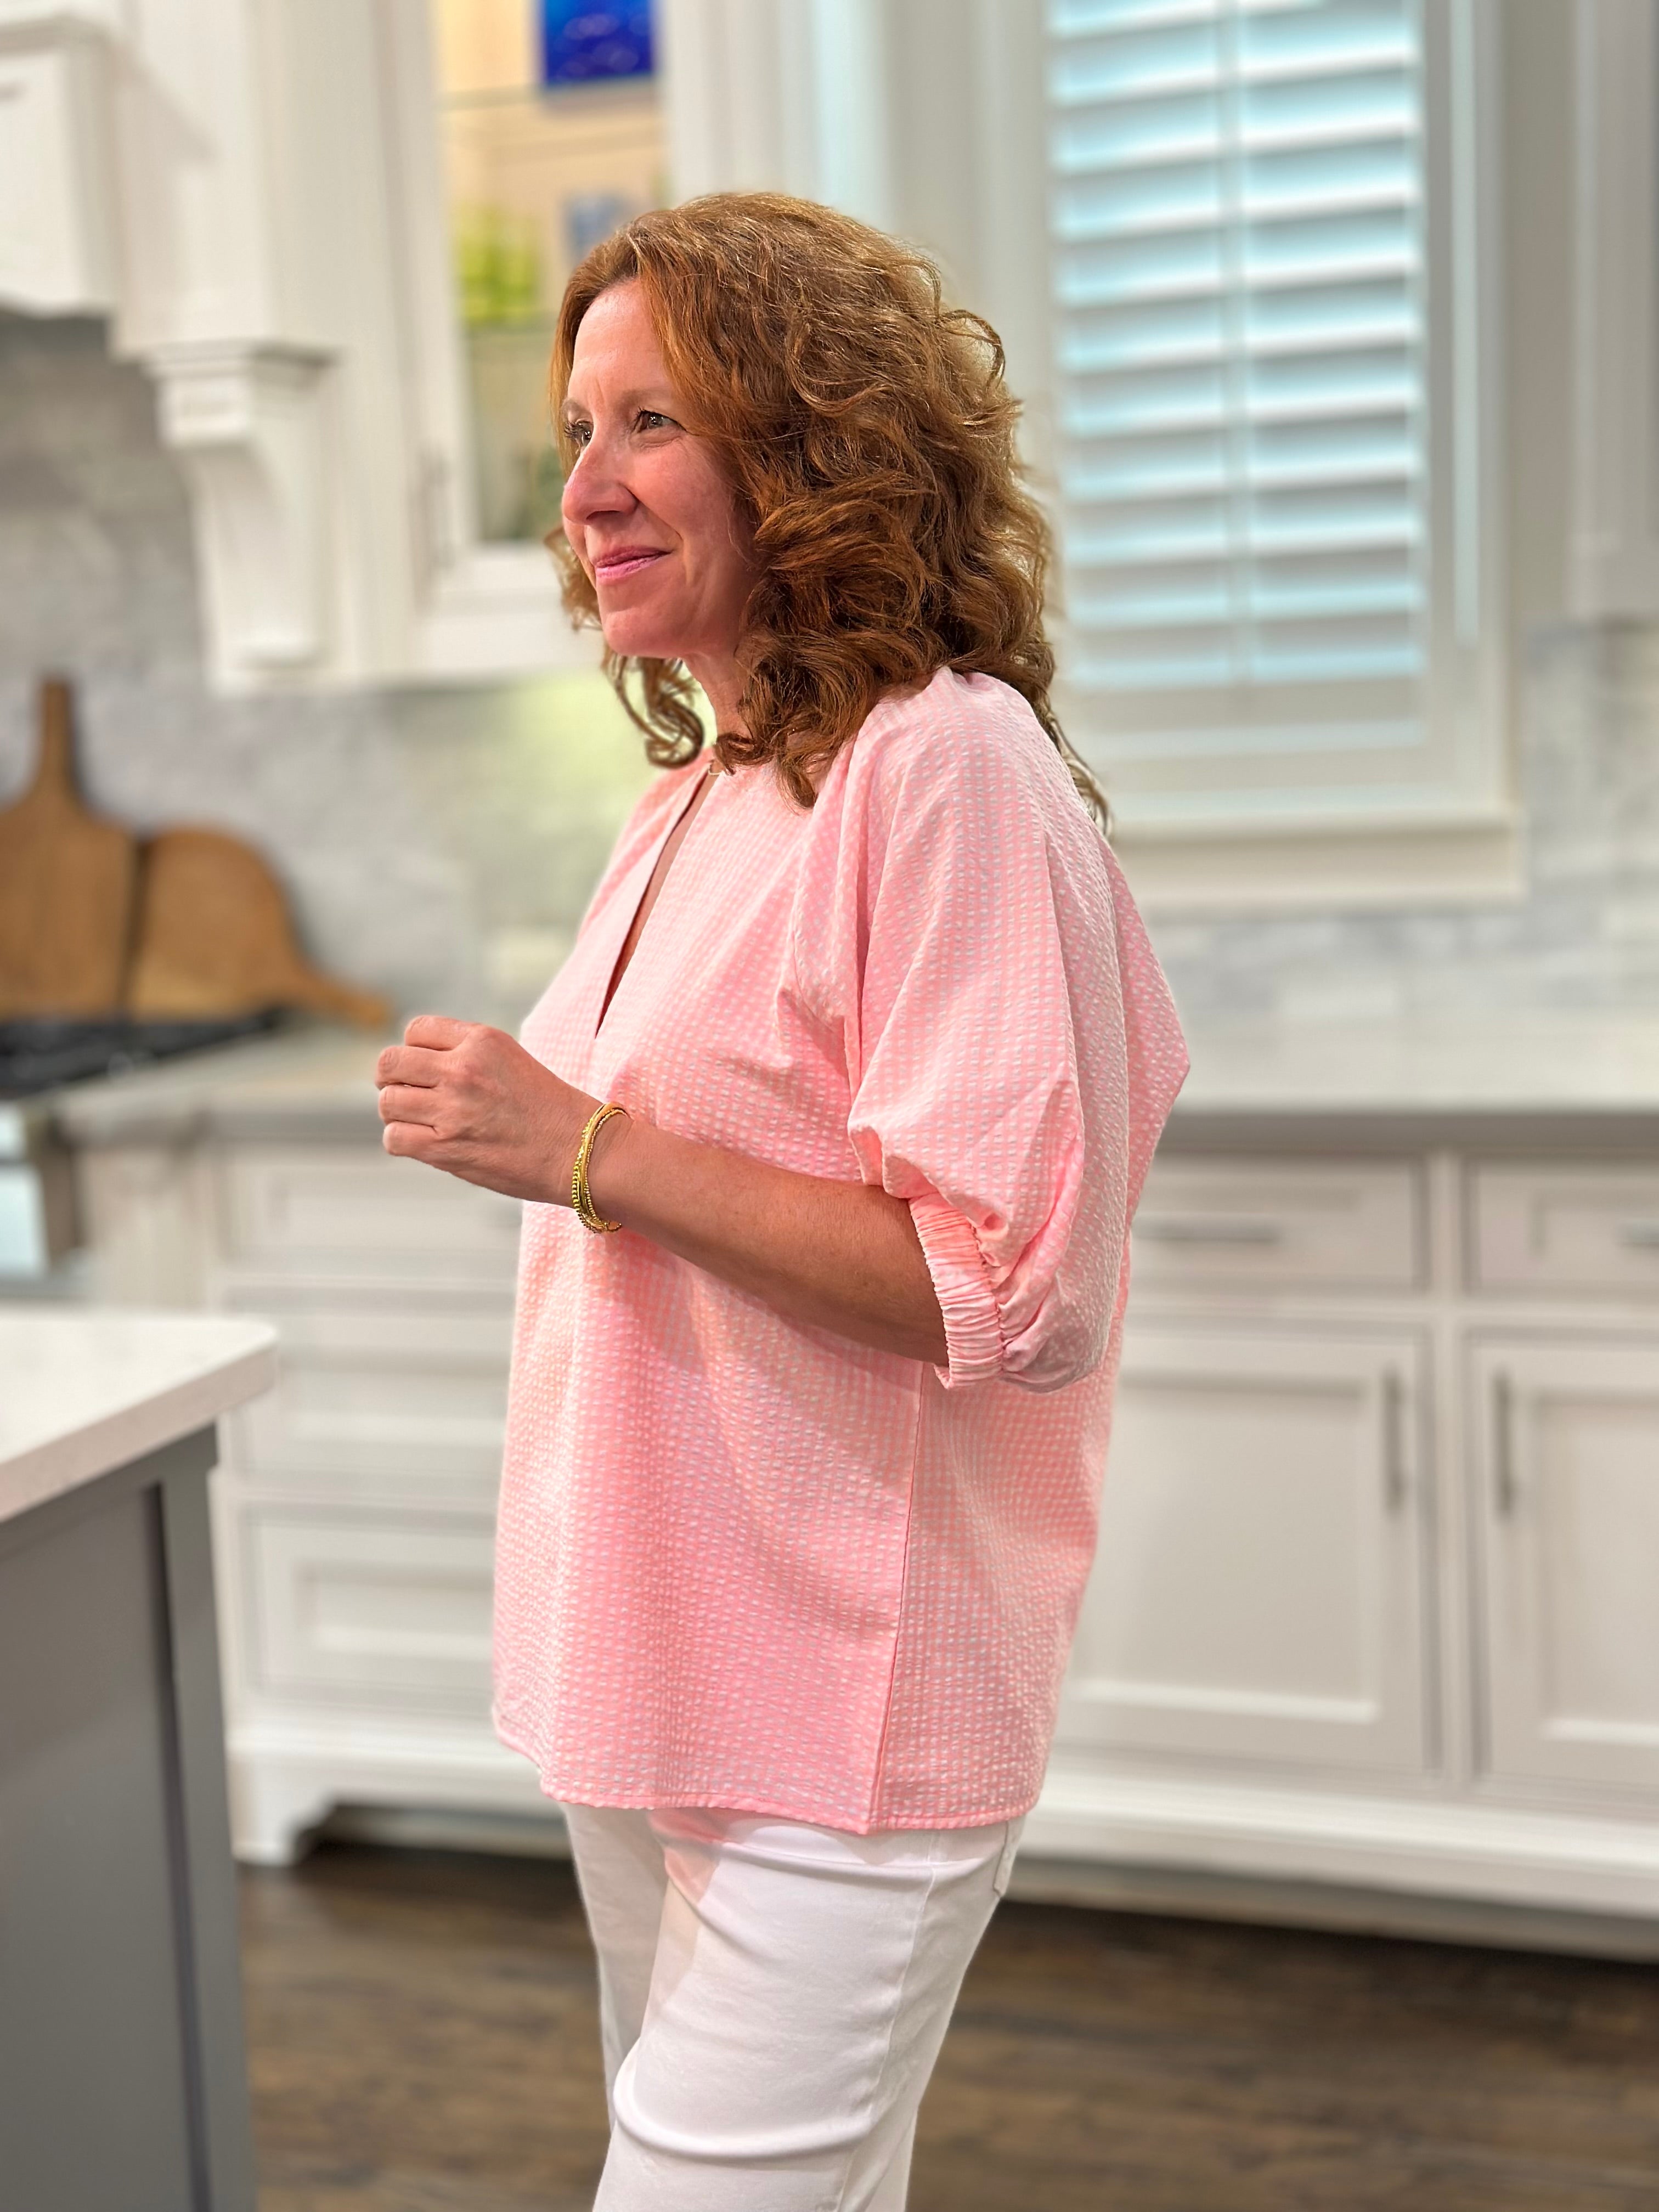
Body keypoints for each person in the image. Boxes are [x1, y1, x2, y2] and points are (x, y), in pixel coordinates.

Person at [374, 190, 1188, 2212]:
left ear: (813, 443)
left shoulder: (946, 766)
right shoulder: (705, 789)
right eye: (578, 431)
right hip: (661, 1675)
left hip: (845, 1701)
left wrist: (584, 1147)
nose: (588, 487)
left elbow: (1010, 1283)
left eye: (651, 422)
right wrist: (566, 1144)